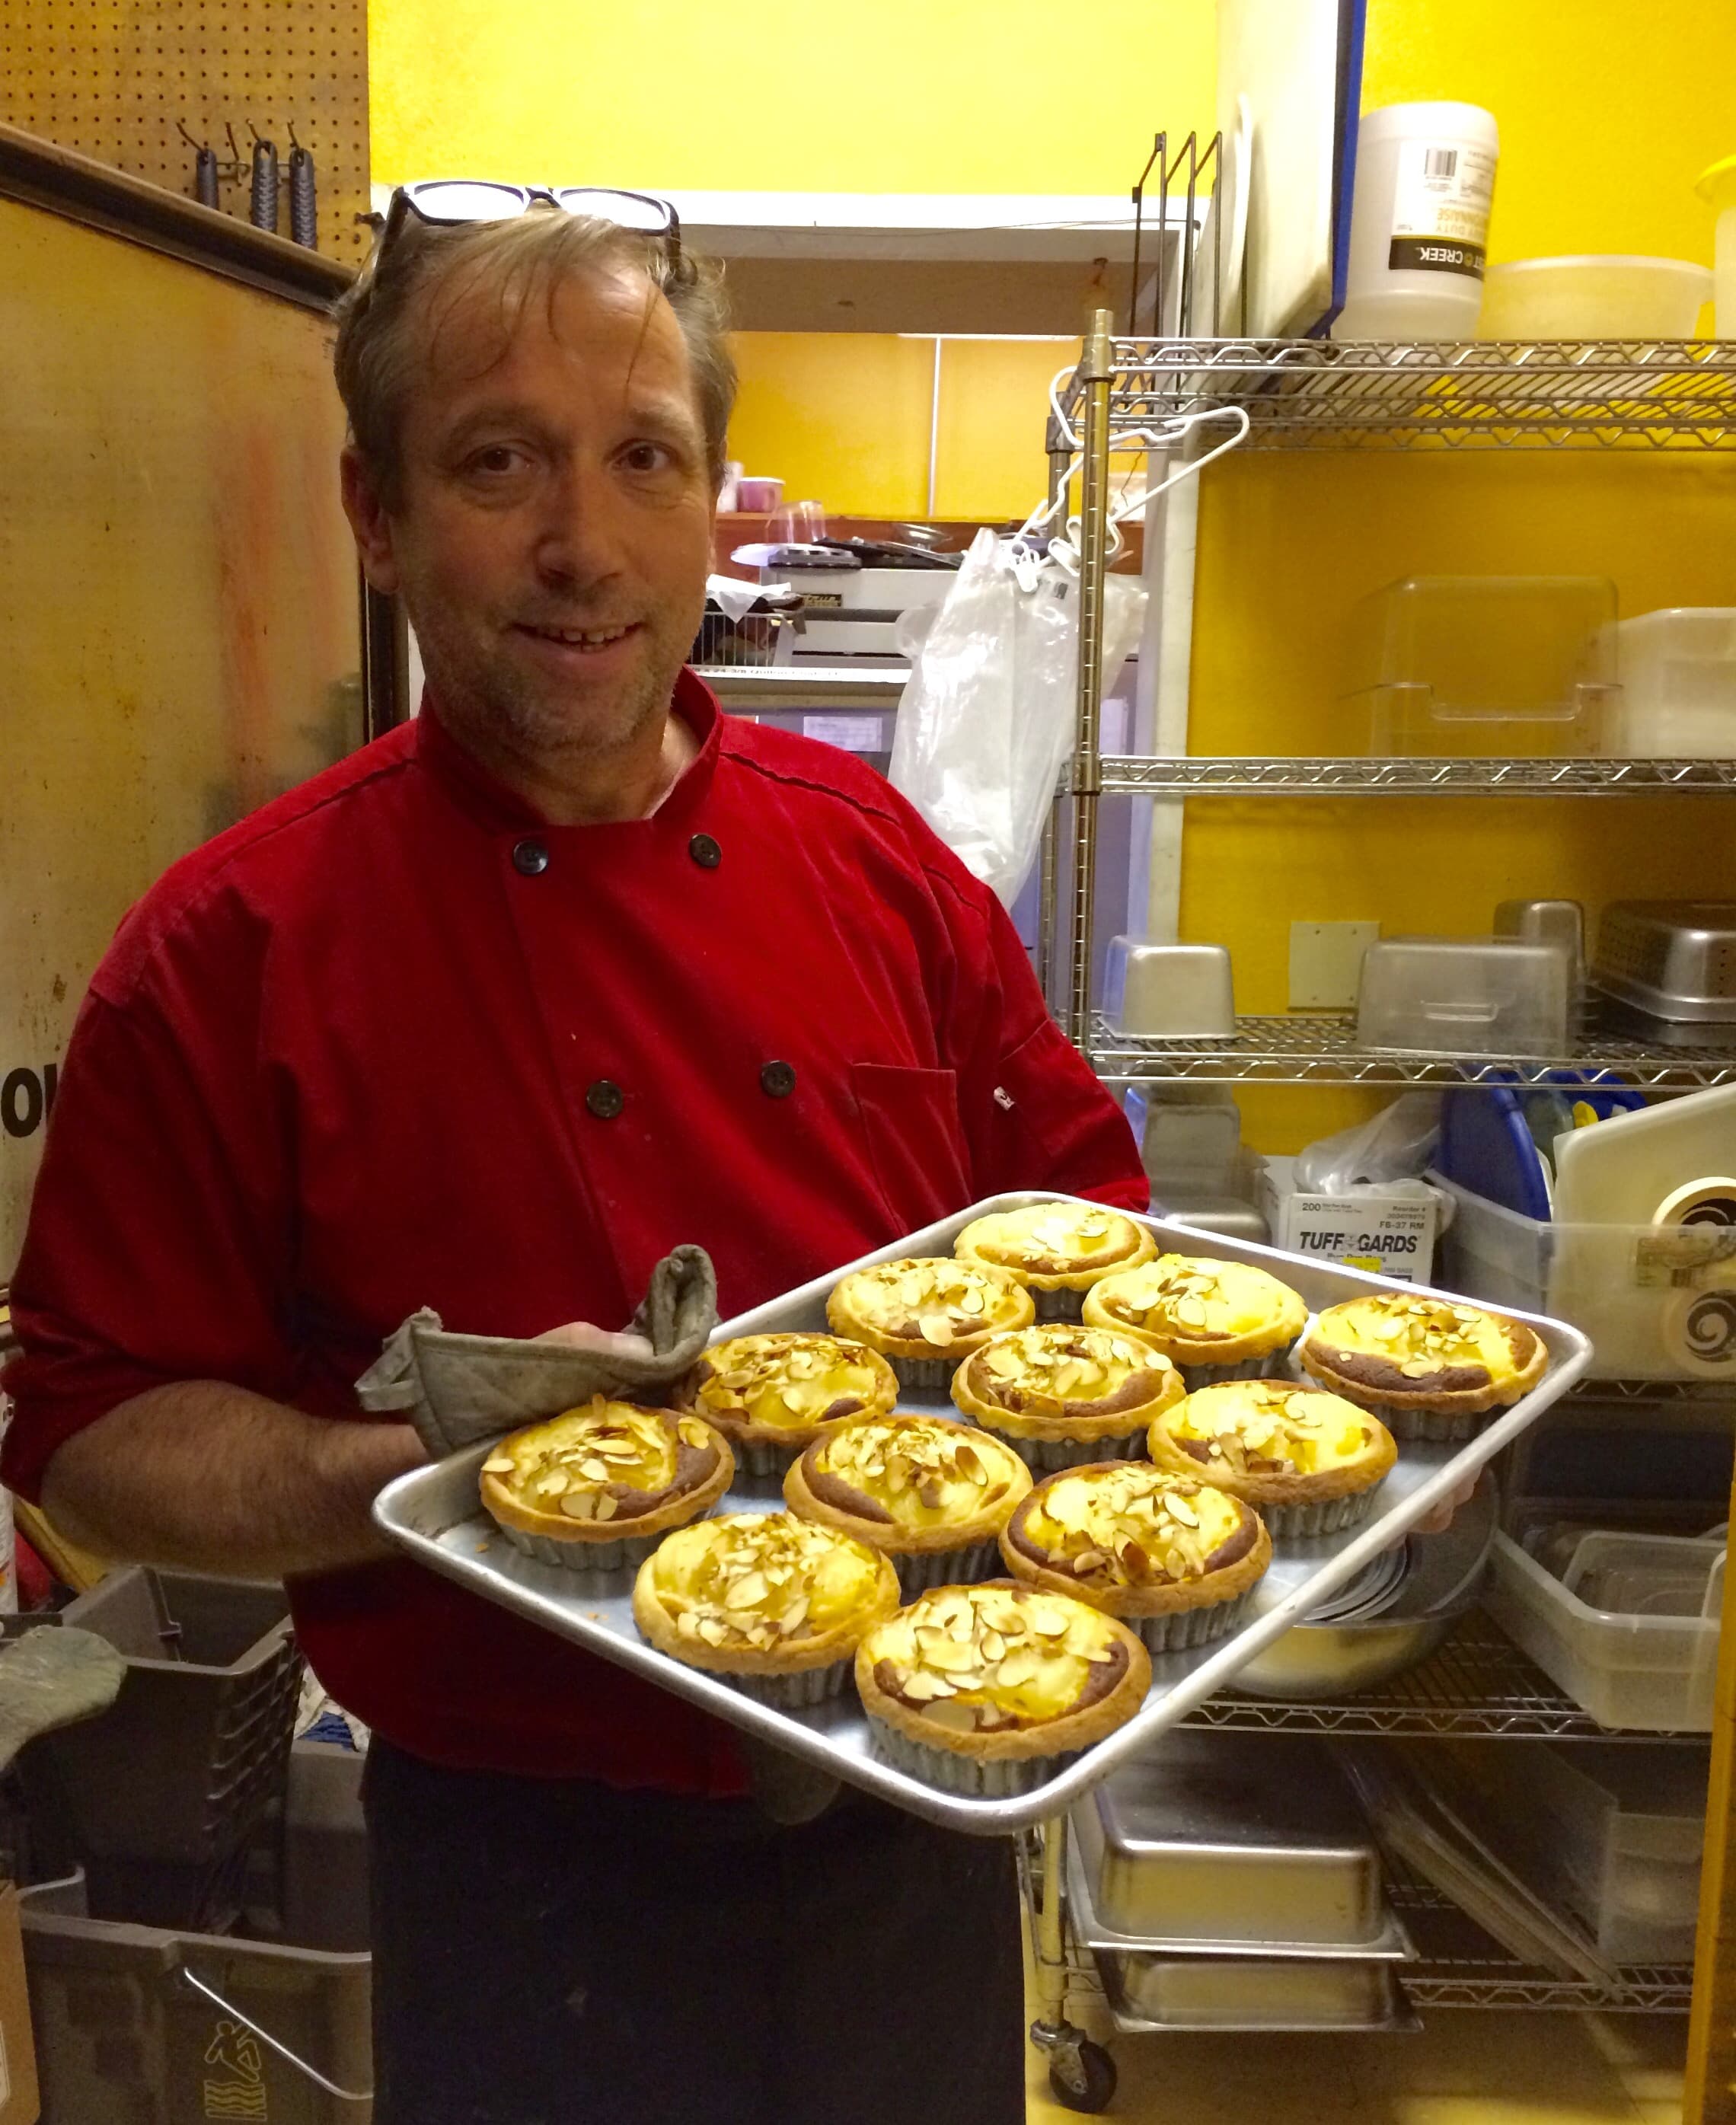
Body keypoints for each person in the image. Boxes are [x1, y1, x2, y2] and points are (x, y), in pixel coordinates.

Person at [2, 187, 1148, 2124]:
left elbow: (1091, 1240)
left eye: (643, 460)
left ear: (714, 502)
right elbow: (86, 1426)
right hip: (525, 1876)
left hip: (921, 1816)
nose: (580, 544)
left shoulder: (881, 873)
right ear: (376, 515)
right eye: (496, 462)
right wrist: (437, 1476)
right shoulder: (230, 952)